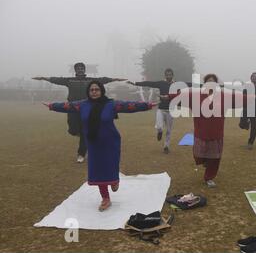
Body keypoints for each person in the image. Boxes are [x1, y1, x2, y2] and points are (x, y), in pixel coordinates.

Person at [43, 81, 156, 211]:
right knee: (97, 170)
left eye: (97, 89)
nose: (94, 92)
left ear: (102, 91)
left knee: (111, 165)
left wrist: (147, 105)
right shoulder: (82, 105)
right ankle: (105, 198)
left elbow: (129, 106)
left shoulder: (111, 104)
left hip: (110, 141)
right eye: (92, 90)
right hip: (94, 143)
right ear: (88, 92)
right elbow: (67, 106)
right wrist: (52, 106)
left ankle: (114, 180)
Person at [33, 62, 126, 163]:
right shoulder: (69, 80)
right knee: (73, 130)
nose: (80, 69)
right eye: (78, 68)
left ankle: (81, 154)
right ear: (75, 70)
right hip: (72, 108)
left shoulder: (90, 80)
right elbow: (56, 80)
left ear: (84, 70)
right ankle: (79, 133)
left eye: (82, 68)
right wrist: (43, 78)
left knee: (84, 133)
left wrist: (115, 79)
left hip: (87, 108)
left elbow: (103, 79)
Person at [169, 74, 250, 188]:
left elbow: (239, 98)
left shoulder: (223, 96)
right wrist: (169, 96)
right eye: (208, 81)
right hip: (201, 132)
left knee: (215, 158)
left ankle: (209, 177)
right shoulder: (196, 96)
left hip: (216, 133)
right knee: (198, 155)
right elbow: (181, 97)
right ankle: (206, 161)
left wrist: (253, 97)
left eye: (213, 82)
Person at [127, 68, 177, 154]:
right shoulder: (161, 83)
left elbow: (188, 85)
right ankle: (159, 132)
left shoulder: (176, 85)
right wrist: (135, 83)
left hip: (171, 111)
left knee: (169, 130)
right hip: (161, 109)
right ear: (165, 75)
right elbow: (149, 83)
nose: (168, 76)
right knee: (160, 127)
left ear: (172, 75)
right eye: (167, 75)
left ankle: (166, 146)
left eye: (170, 75)